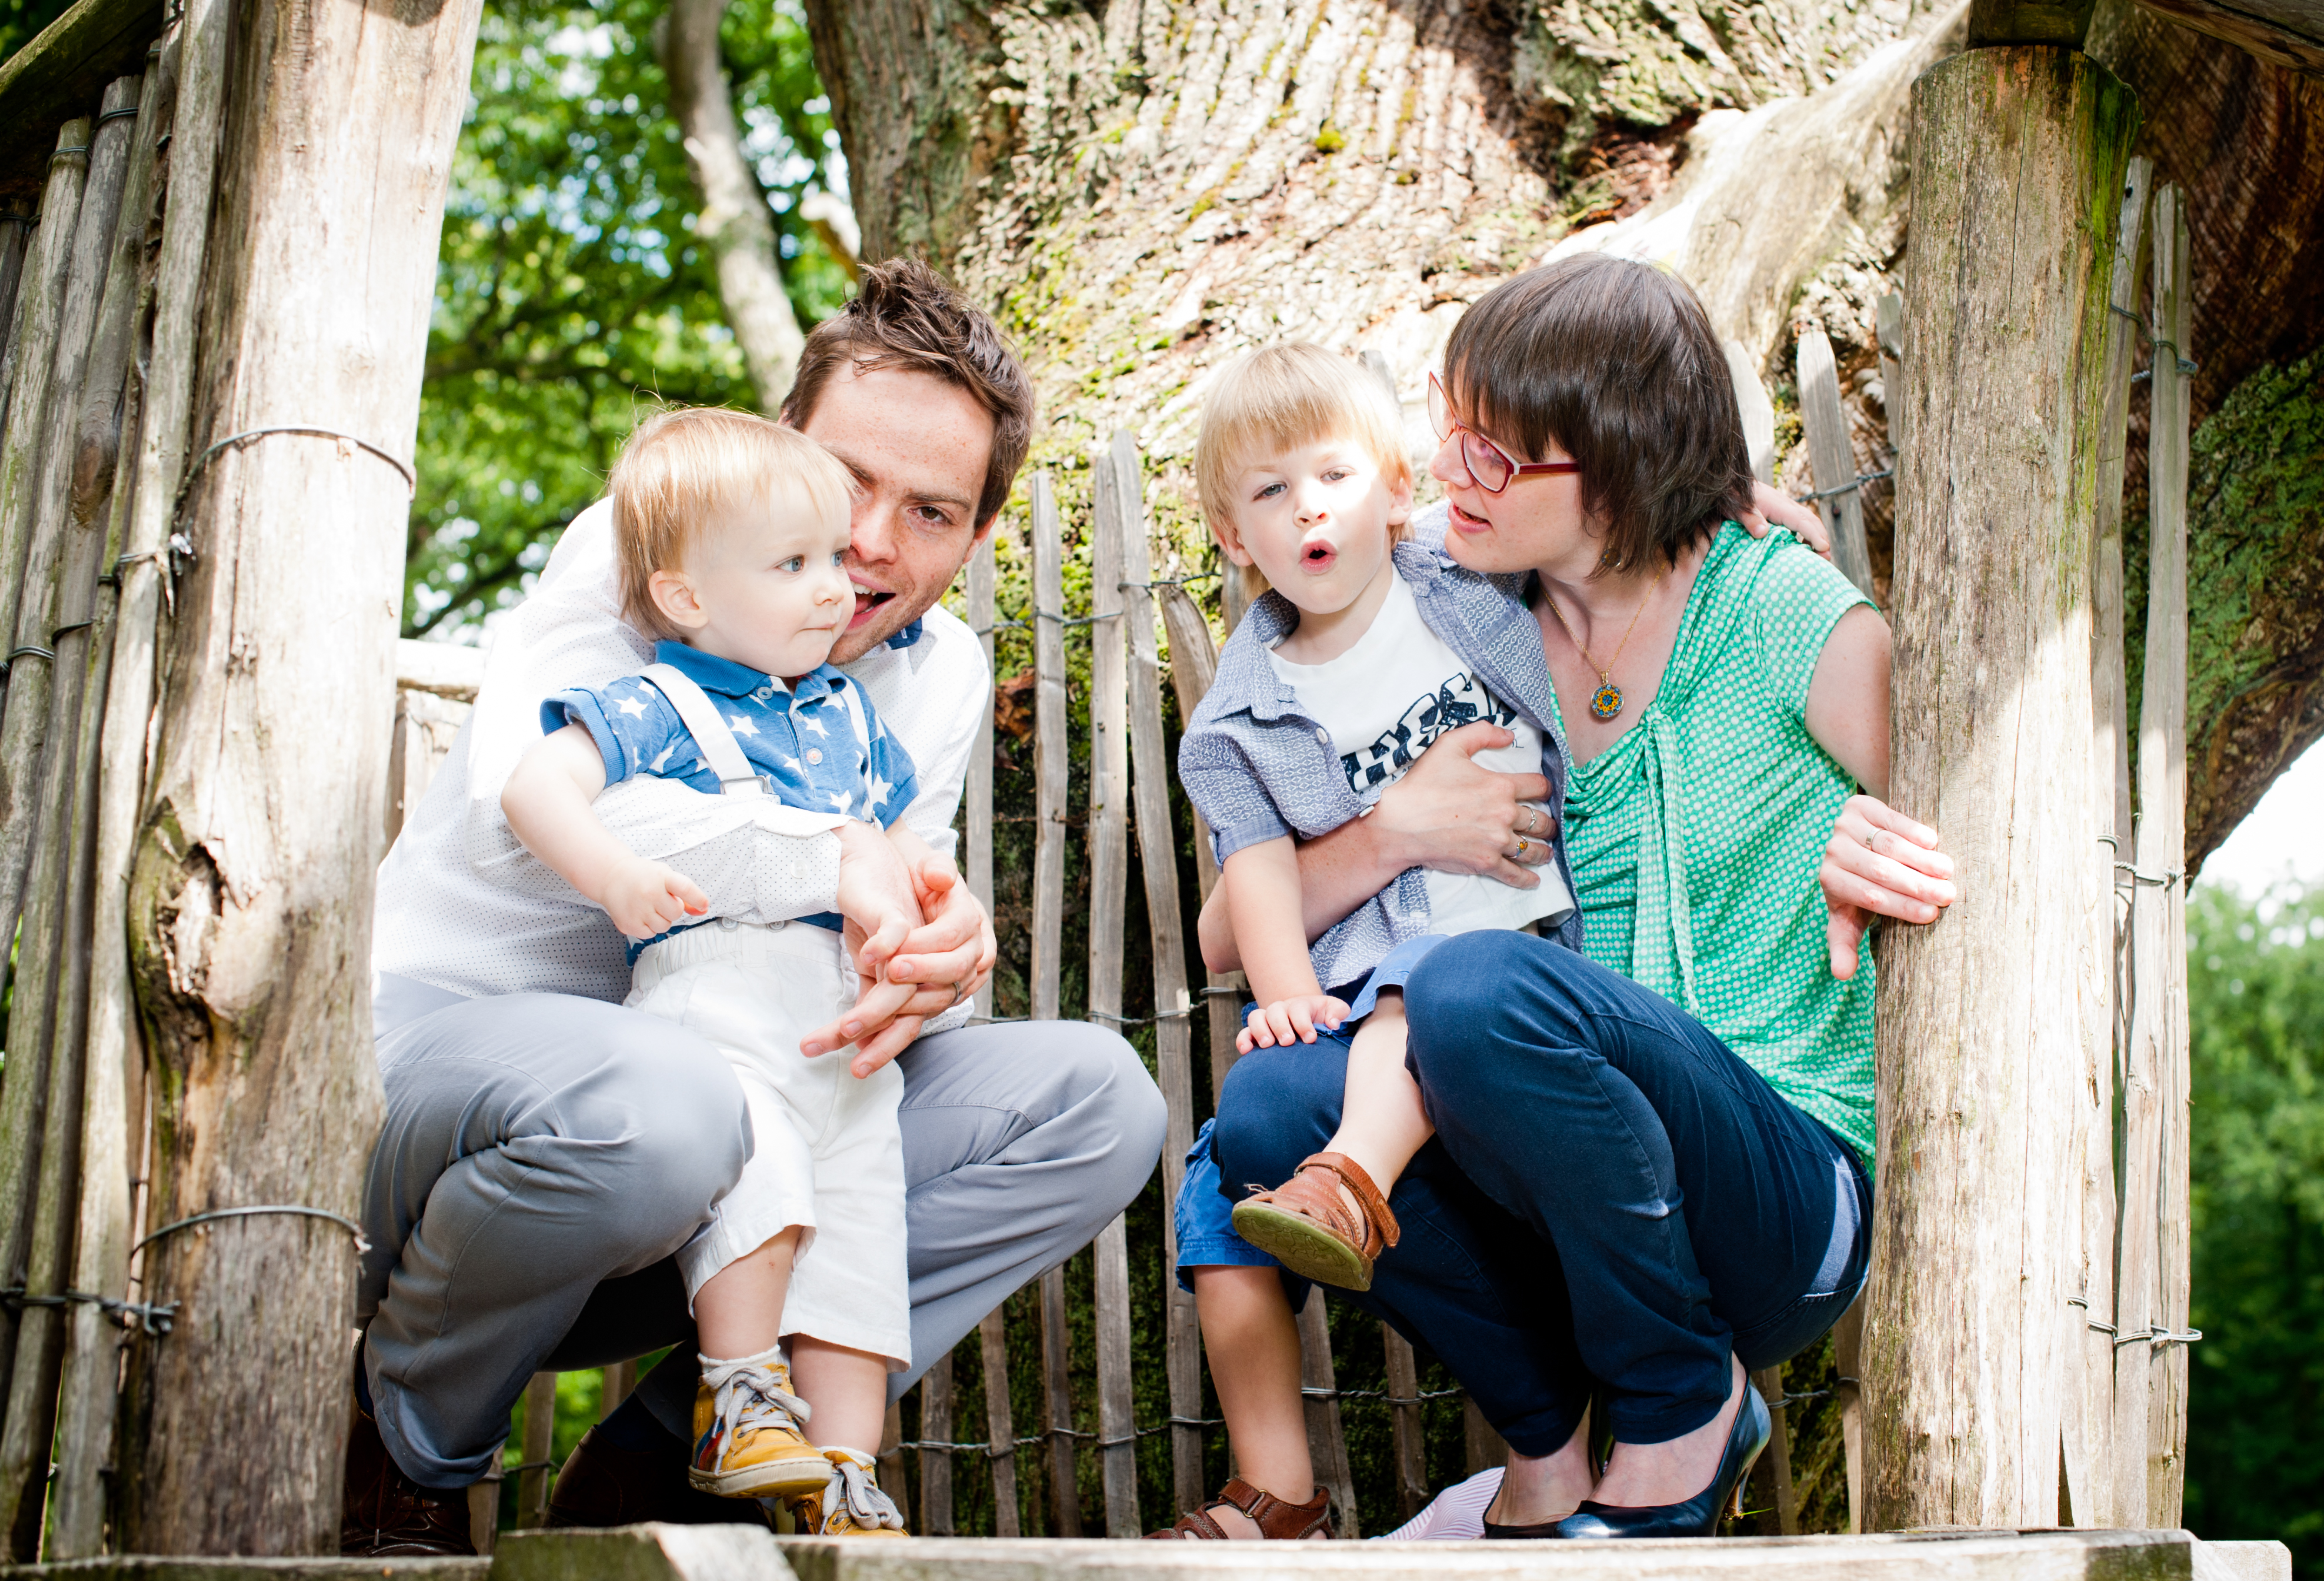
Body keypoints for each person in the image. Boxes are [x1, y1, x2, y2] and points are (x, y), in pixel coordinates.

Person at [347, 261, 1166, 1555]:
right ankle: (401, 1450)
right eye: (845, 482)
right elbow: (559, 802)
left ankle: (688, 1457)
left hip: (735, 1124)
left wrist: (934, 952)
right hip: (463, 1093)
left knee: (1095, 1103)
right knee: (669, 1102)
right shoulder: (641, 552)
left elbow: (896, 876)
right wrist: (828, 860)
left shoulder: (940, 668)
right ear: (782, 445)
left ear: (977, 536)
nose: (872, 545)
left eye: (932, 512)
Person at [1196, 255, 1958, 1540]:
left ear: (1613, 463)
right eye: (1454, 442)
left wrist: (1882, 857)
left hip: (1774, 1184)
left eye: (1493, 460)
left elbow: (1981, 822)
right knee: (1270, 1108)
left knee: (1472, 986)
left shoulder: (1775, 611)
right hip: (1571, 1223)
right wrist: (1391, 833)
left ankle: (1680, 1409)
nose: (1448, 479)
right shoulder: (1460, 611)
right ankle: (1547, 1438)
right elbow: (1230, 931)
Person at [1152, 345, 1577, 1541]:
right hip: (1364, 964)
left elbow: (1599, 534)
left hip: (1508, 924)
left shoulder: (1456, 573)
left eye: (1334, 476)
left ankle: (1350, 1177)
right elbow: (1253, 868)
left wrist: (1719, 506)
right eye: (1270, 494)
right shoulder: (1240, 713)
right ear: (1235, 540)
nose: (1310, 509)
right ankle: (1278, 1494)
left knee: (1424, 985)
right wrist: (1284, 995)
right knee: (1217, 1188)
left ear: (1395, 490)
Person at [501, 408, 929, 1533]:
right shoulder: (657, 703)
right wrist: (611, 876)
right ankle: (739, 1397)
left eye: (834, 558)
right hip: (721, 997)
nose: (838, 585)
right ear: (688, 597)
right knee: (765, 1181)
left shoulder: (847, 716)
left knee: (858, 1232)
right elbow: (536, 791)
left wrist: (925, 912)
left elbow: (898, 849)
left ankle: (845, 1476)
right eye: (795, 564)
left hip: (840, 1027)